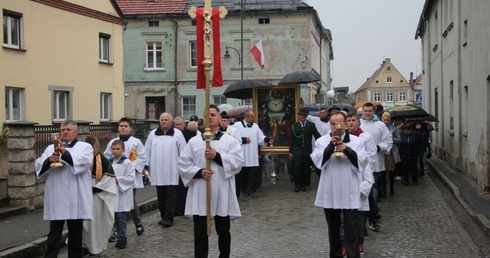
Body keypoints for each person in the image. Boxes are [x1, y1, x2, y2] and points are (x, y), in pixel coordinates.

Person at [178, 105, 244, 258]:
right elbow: (183, 163)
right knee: (200, 232)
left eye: (213, 114)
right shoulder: (194, 142)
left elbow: (238, 162)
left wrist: (217, 156)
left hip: (221, 191)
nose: (210, 117)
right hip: (201, 190)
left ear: (220, 118)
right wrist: (199, 172)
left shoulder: (229, 141)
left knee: (223, 231)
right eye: (207, 115)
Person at [35, 120, 93, 258]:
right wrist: (49, 160)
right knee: (54, 231)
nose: (65, 132)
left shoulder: (85, 147)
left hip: (76, 196)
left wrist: (65, 153)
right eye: (63, 130)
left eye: (68, 129)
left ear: (76, 132)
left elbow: (84, 162)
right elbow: (38, 165)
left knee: (75, 232)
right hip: (57, 195)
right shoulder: (50, 148)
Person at [310, 111, 362, 258]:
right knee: (333, 228)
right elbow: (318, 162)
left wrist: (347, 149)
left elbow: (361, 162)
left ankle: (353, 254)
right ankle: (335, 254)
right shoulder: (321, 141)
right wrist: (330, 145)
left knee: (351, 227)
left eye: (340, 123)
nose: (336, 127)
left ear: (345, 124)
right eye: (333, 124)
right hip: (331, 188)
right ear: (330, 125)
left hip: (349, 187)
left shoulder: (356, 141)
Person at [104, 117, 148, 236]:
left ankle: (137, 223)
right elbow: (106, 158)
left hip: (129, 176)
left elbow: (142, 157)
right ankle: (118, 229)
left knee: (130, 201)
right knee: (117, 204)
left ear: (130, 128)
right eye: (121, 126)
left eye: (125, 126)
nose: (123, 128)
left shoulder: (136, 142)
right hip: (116, 178)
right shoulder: (113, 143)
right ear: (118, 128)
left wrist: (129, 168)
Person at [145, 112, 186, 227]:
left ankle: (169, 217)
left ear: (170, 122)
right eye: (162, 120)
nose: (163, 122)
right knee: (161, 194)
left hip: (172, 169)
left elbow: (183, 151)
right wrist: (145, 165)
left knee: (171, 194)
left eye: (166, 120)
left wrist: (183, 166)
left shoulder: (177, 134)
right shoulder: (153, 134)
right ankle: (163, 214)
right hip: (158, 169)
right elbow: (147, 151)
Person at [344, 112, 376, 255]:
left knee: (359, 219)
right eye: (348, 121)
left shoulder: (365, 137)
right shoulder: (342, 140)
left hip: (360, 180)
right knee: (343, 219)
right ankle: (345, 243)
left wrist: (364, 187)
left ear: (358, 122)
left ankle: (360, 242)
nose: (351, 123)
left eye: (353, 120)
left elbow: (369, 159)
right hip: (345, 184)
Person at [360, 102, 392, 232]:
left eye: (369, 111)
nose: (367, 113)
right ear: (362, 112)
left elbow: (388, 141)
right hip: (360, 164)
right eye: (365, 111)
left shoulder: (380, 125)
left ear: (373, 111)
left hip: (375, 164)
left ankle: (373, 218)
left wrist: (379, 147)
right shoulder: (359, 125)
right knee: (362, 193)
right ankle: (363, 221)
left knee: (373, 192)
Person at [83, 135, 117, 257]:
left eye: (91, 149)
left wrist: (94, 189)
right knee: (83, 224)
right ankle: (85, 246)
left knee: (94, 224)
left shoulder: (103, 161)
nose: (89, 152)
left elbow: (109, 180)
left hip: (96, 197)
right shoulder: (81, 159)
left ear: (98, 147)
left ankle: (95, 249)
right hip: (83, 197)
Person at [233, 109, 272, 198]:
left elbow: (260, 138)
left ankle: (251, 190)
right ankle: (243, 189)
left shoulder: (255, 127)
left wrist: (266, 139)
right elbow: (233, 138)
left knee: (253, 174)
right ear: (246, 117)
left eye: (253, 117)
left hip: (252, 154)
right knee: (243, 174)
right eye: (251, 117)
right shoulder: (236, 126)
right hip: (242, 154)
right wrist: (243, 140)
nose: (253, 118)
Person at [109, 140, 136, 249]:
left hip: (121, 193)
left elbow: (130, 178)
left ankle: (122, 237)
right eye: (113, 149)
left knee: (121, 216)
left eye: (117, 149)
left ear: (123, 150)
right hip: (111, 192)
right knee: (113, 216)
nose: (115, 151)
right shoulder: (109, 162)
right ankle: (115, 234)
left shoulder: (127, 163)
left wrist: (118, 179)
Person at [289, 107, 321, 192]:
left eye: (304, 115)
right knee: (297, 168)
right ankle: (297, 185)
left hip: (307, 150)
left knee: (306, 168)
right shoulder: (295, 126)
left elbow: (317, 135)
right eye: (301, 115)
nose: (302, 117)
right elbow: (292, 139)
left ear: (306, 116)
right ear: (299, 116)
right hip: (297, 150)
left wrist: (325, 141)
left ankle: (304, 184)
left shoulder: (311, 125)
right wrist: (291, 151)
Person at [174, 116, 198, 216]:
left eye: (180, 124)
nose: (179, 126)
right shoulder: (172, 134)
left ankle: (184, 207)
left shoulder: (191, 134)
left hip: (188, 163)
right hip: (174, 164)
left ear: (184, 124)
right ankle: (176, 208)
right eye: (177, 125)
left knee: (184, 187)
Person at [381, 112, 401, 197]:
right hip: (382, 152)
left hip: (391, 152)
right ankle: (384, 191)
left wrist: (391, 139)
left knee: (391, 172)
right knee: (383, 172)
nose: (386, 121)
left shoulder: (394, 128)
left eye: (388, 120)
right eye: (384, 120)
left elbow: (399, 140)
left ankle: (391, 189)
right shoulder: (380, 128)